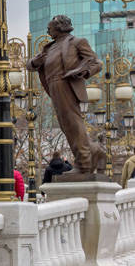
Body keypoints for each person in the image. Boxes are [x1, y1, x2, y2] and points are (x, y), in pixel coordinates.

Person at [26, 15, 103, 172]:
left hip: (66, 83)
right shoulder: (49, 47)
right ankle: (94, 150)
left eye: (50, 27)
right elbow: (29, 66)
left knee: (73, 122)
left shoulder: (76, 42)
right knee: (66, 125)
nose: (48, 30)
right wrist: (35, 62)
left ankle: (84, 162)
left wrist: (84, 72)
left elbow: (96, 62)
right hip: (53, 86)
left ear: (60, 27)